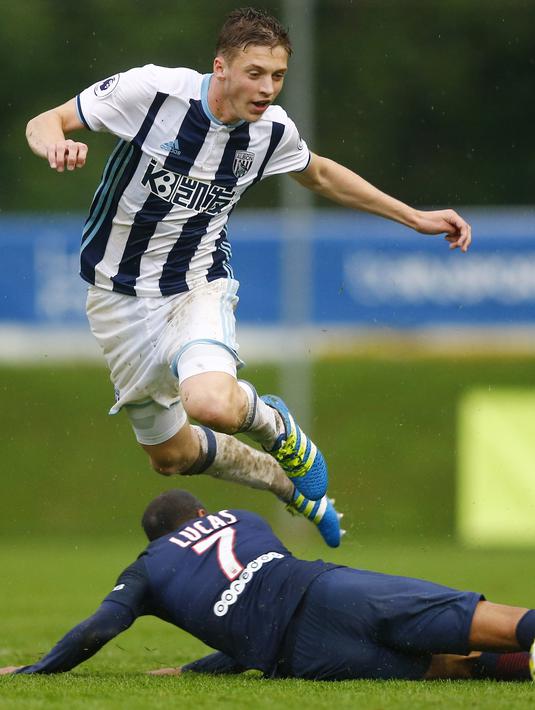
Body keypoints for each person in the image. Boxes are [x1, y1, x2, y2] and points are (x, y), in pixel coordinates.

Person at [24, 8, 472, 524]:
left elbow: (321, 175)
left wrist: (413, 217)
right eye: (255, 73)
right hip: (114, 297)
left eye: (278, 76)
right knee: (170, 458)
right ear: (221, 68)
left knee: (212, 404)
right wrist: (55, 143)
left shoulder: (271, 133)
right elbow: (46, 121)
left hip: (195, 286)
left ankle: (275, 425)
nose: (267, 88)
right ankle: (281, 481)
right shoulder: (151, 92)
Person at [1, 489, 533, 682]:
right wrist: (195, 668)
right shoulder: (243, 518)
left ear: (155, 538)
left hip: (300, 653)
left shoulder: (148, 566)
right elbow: (255, 588)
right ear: (201, 513)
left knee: (445, 666)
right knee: (472, 620)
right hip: (325, 587)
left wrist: (36, 670)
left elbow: (100, 627)